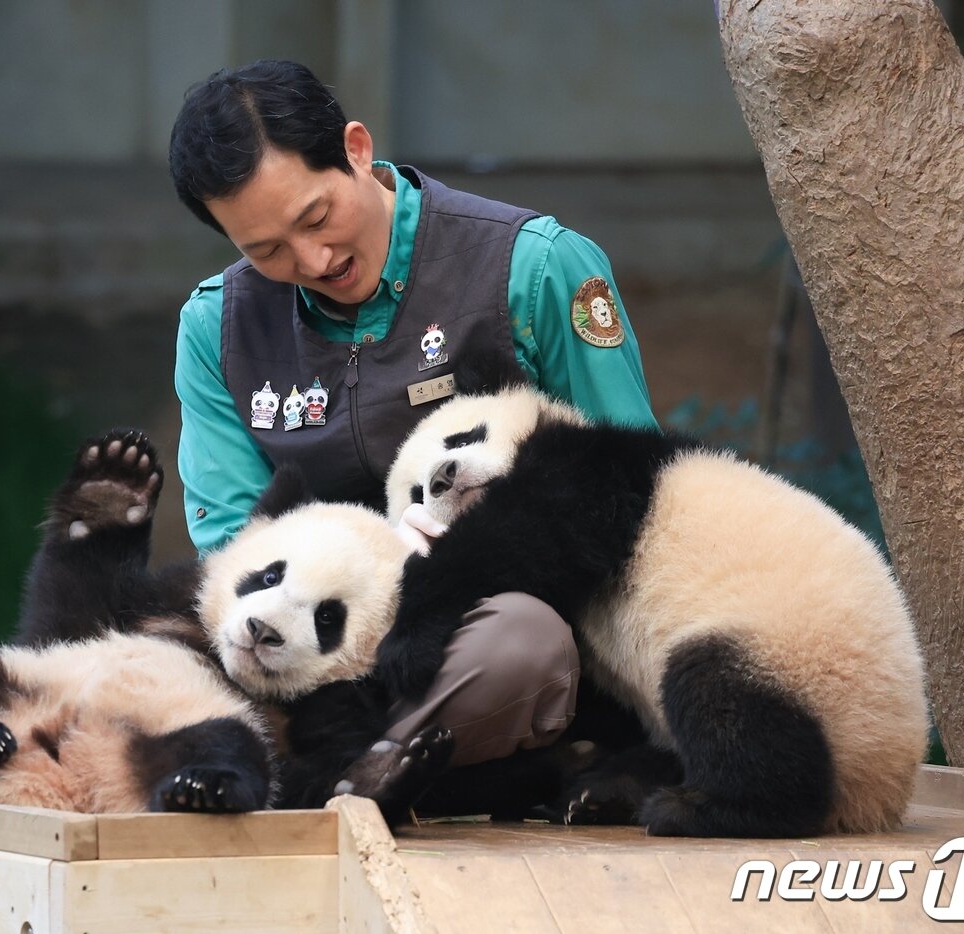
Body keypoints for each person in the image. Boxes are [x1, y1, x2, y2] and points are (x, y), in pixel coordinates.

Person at [168, 60, 657, 770]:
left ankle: (366, 765)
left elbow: (632, 493)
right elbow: (236, 555)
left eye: (316, 217)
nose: (312, 257)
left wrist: (460, 563)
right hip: (310, 652)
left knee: (519, 644)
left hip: (492, 626)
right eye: (265, 250)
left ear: (357, 150)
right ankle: (383, 763)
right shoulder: (217, 328)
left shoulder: (536, 270)